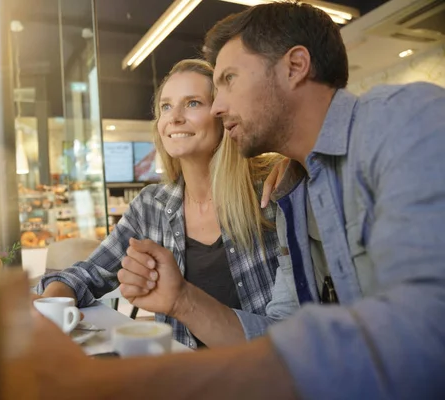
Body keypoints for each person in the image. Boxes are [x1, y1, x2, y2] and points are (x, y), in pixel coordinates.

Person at [31, 2, 445, 399]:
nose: (220, 105)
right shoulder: (295, 186)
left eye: (226, 81)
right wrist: (179, 307)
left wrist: (137, 378)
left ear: (295, 66)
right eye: (168, 106)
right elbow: (289, 333)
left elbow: (419, 332)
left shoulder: (402, 121)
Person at [36, 59, 298, 348]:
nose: (174, 117)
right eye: (166, 106)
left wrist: (297, 164)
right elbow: (88, 274)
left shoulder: (270, 193)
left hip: (262, 377)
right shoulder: (152, 205)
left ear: (223, 114)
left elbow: (296, 328)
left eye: (193, 103)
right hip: (182, 377)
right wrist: (53, 302)